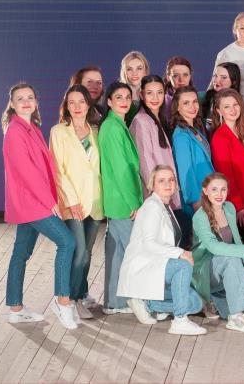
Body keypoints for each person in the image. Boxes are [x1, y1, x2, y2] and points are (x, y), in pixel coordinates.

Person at [2, 83, 77, 329]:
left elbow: (44, 168)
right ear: (12, 104)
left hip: (33, 201)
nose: (26, 102)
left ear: (36, 102)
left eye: (30, 97)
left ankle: (15, 309)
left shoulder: (31, 128)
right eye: (20, 98)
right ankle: (62, 301)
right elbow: (27, 173)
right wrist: (50, 201)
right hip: (32, 203)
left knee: (21, 253)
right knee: (67, 242)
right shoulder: (15, 131)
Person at [117, 166, 207, 335]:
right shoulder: (152, 207)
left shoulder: (165, 206)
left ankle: (148, 304)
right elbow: (149, 244)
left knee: (195, 303)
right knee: (183, 266)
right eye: (161, 180)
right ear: (152, 185)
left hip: (159, 265)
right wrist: (181, 253)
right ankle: (180, 320)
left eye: (171, 180)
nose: (167, 184)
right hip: (144, 266)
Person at [49, 84, 104, 320]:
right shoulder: (59, 132)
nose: (77, 106)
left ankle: (80, 296)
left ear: (88, 104)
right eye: (71, 102)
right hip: (73, 202)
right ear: (66, 106)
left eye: (81, 101)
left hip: (95, 201)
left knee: (88, 253)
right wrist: (71, 202)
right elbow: (57, 170)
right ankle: (66, 300)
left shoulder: (96, 131)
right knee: (78, 251)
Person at [192, 172, 244, 332]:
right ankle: (235, 317)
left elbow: (236, 238)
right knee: (230, 259)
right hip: (206, 269)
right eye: (214, 189)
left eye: (223, 189)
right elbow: (214, 247)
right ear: (205, 191)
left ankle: (218, 301)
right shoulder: (200, 217)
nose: (219, 194)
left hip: (229, 267)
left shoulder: (229, 207)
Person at [99, 81, 143, 314]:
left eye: (127, 97)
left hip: (118, 199)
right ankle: (121, 301)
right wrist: (134, 202)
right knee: (126, 251)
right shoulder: (113, 128)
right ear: (109, 101)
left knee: (117, 251)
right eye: (119, 97)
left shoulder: (116, 124)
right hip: (122, 199)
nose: (124, 101)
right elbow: (121, 170)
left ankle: (114, 302)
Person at [129, 75, 187, 246]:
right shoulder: (141, 121)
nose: (155, 98)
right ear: (141, 95)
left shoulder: (157, 118)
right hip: (157, 194)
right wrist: (158, 193)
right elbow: (145, 162)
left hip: (166, 191)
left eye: (159, 92)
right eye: (150, 93)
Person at [210, 89, 244, 213]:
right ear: (219, 111)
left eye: (235, 104)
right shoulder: (219, 138)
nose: (233, 109)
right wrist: (239, 206)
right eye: (227, 106)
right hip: (241, 204)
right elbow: (226, 175)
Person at [171, 87, 214, 221]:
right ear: (177, 107)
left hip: (208, 195)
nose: (192, 106)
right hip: (198, 202)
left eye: (195, 101)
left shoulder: (194, 129)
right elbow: (185, 173)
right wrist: (196, 202)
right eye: (186, 103)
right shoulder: (181, 136)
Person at [212, 12, 244, 118]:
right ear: (235, 30)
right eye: (243, 28)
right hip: (237, 108)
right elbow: (216, 84)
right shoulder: (226, 54)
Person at [203, 62, 241, 130]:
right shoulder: (206, 97)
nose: (217, 80)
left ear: (234, 81)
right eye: (215, 76)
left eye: (223, 77)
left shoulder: (239, 104)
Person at [119, 50, 150, 123]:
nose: (134, 73)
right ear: (124, 72)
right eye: (129, 69)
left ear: (145, 71)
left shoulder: (152, 95)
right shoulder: (117, 95)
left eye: (139, 68)